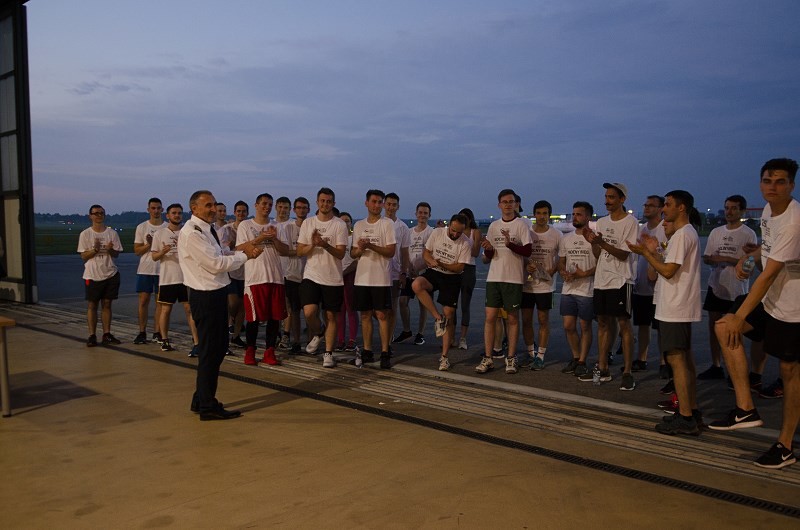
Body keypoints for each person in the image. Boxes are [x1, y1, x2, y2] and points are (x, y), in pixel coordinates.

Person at [711, 158, 800, 469]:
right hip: (773, 301)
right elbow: (767, 248)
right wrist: (748, 259)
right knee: (723, 327)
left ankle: (785, 445)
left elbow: (769, 274)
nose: (772, 187)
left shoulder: (793, 221)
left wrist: (740, 316)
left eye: (780, 181)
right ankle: (746, 409)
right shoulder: (768, 212)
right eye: (767, 180)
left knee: (790, 373)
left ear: (792, 185)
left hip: (794, 309)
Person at [178, 190, 262, 421]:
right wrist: (246, 257)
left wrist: (244, 248)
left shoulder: (207, 229)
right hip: (205, 296)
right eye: (208, 205)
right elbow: (215, 263)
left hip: (215, 294)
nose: (213, 209)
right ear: (194, 208)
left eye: (214, 204)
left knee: (216, 348)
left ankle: (200, 398)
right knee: (211, 351)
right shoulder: (192, 233)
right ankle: (207, 405)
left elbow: (222, 253)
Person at [629, 191, 703, 436]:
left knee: (677, 360)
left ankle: (686, 416)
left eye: (668, 204)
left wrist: (646, 254)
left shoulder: (682, 234)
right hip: (677, 305)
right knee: (684, 358)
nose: (664, 209)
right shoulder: (685, 234)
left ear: (681, 208)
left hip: (675, 306)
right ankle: (692, 410)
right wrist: (653, 251)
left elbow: (669, 271)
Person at [582, 182, 639, 390]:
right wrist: (593, 243)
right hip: (602, 279)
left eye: (612, 197)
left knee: (624, 324)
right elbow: (599, 254)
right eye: (606, 197)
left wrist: (602, 242)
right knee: (603, 323)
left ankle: (627, 372)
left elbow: (624, 254)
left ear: (622, 199)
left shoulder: (631, 222)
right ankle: (603, 367)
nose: (607, 201)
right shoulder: (602, 222)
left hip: (621, 279)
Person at [698, 195, 759, 382]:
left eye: (733, 208)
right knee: (713, 326)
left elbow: (749, 266)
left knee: (733, 331)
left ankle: (735, 371)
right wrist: (712, 259)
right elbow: (707, 257)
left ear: (742, 211)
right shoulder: (716, 232)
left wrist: (726, 259)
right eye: (726, 208)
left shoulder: (748, 234)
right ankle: (716, 365)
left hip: (737, 289)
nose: (729, 212)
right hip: (716, 285)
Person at [475, 189, 532, 375]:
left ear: (516, 204)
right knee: (490, 317)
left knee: (512, 318)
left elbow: (528, 251)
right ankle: (488, 357)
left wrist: (510, 245)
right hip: (494, 277)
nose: (508, 205)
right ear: (499, 205)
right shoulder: (494, 226)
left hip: (513, 278)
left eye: (511, 201)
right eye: (504, 202)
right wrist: (488, 248)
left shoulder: (521, 225)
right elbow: (490, 255)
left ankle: (511, 357)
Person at [296, 188, 349, 368]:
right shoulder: (308, 223)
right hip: (312, 275)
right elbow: (300, 251)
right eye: (322, 201)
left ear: (333, 203)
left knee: (331, 316)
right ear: (317, 202)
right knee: (309, 312)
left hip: (333, 277)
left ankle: (328, 353)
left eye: (329, 201)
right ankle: (319, 332)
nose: (325, 204)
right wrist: (313, 244)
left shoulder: (339, 225)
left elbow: (341, 254)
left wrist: (324, 244)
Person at [236, 193, 290, 366]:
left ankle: (269, 351)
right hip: (255, 278)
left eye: (270, 204)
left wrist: (273, 239)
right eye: (264, 204)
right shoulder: (246, 225)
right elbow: (239, 248)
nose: (267, 207)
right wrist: (260, 238)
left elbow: (285, 250)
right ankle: (250, 351)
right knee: (253, 319)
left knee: (275, 318)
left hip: (275, 277)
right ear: (256, 205)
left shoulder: (277, 226)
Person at [412, 214, 472, 371]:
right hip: (435, 271)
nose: (455, 234)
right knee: (417, 285)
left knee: (449, 314)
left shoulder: (465, 242)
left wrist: (441, 263)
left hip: (452, 277)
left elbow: (459, 268)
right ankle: (437, 318)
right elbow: (426, 252)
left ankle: (444, 357)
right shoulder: (437, 232)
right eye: (453, 230)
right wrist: (430, 261)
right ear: (449, 225)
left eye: (459, 232)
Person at [351, 189, 397, 369]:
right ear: (366, 203)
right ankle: (367, 350)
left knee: (382, 315)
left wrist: (370, 245)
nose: (377, 205)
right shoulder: (359, 225)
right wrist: (361, 249)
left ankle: (385, 352)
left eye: (380, 202)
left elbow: (391, 251)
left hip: (381, 278)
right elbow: (353, 253)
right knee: (365, 315)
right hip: (362, 278)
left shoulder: (387, 224)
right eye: (374, 201)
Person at [151, 203, 200, 357]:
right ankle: (164, 339)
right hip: (168, 278)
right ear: (168, 215)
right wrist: (163, 251)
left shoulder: (187, 232)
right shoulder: (160, 234)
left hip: (186, 278)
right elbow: (154, 257)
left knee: (189, 309)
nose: (177, 215)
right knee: (166, 309)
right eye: (174, 213)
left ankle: (197, 342)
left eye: (179, 213)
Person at [521, 200, 562, 370]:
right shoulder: (527, 232)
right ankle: (531, 353)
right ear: (534, 214)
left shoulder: (557, 234)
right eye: (538, 213)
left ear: (549, 215)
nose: (542, 216)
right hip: (527, 284)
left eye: (545, 213)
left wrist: (553, 270)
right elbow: (521, 254)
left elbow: (562, 257)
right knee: (526, 320)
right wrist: (526, 265)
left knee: (543, 319)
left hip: (546, 285)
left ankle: (541, 356)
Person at [559, 201, 597, 378]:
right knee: (568, 326)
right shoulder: (566, 238)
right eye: (573, 214)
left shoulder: (594, 238)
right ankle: (575, 357)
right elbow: (561, 261)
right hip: (568, 288)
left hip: (587, 289)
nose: (575, 217)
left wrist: (585, 274)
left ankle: (582, 361)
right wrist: (563, 272)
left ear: (588, 217)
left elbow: (601, 264)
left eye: (579, 214)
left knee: (585, 326)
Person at [78, 205, 123, 347]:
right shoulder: (85, 234)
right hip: (93, 274)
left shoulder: (112, 233)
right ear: (90, 216)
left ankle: (106, 334)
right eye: (96, 213)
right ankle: (92, 335)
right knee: (92, 304)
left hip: (110, 273)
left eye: (101, 213)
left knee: (107, 304)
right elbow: (83, 256)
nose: (99, 215)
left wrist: (110, 250)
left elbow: (116, 254)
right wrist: (95, 250)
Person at [631, 195, 666, 372]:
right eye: (645, 205)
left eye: (651, 205)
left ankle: (663, 362)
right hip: (642, 286)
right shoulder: (642, 229)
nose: (646, 208)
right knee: (643, 325)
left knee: (660, 328)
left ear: (661, 209)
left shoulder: (664, 229)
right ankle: (641, 358)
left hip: (659, 288)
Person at [132, 198, 166, 345]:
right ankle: (142, 331)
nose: (156, 211)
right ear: (148, 210)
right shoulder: (142, 227)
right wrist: (149, 245)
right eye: (153, 208)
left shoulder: (166, 227)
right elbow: (137, 251)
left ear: (162, 210)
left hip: (162, 270)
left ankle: (157, 332)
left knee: (160, 302)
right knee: (143, 300)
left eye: (158, 208)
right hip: (145, 269)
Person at [385, 193, 413, 343]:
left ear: (398, 206)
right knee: (376, 310)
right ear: (384, 205)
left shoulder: (403, 227)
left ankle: (388, 339)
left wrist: (404, 272)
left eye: (394, 205)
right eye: (388, 204)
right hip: (378, 272)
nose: (391, 207)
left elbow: (404, 252)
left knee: (392, 308)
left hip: (395, 272)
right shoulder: (379, 223)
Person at [407, 202, 434, 345]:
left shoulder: (431, 232)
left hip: (425, 273)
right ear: (416, 214)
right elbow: (405, 250)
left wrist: (419, 268)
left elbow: (431, 253)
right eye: (420, 212)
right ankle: (406, 330)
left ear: (429, 215)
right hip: (409, 272)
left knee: (423, 304)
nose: (422, 215)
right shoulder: (409, 232)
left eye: (425, 213)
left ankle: (420, 333)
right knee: (402, 301)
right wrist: (409, 267)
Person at [455, 208, 482, 350]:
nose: (463, 221)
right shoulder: (456, 232)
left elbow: (476, 253)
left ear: (470, 219)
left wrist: (464, 248)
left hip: (468, 268)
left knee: (465, 304)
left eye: (465, 218)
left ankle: (463, 338)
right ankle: (451, 336)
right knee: (451, 304)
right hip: (455, 268)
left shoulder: (475, 232)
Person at [223, 201, 248, 349]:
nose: (241, 214)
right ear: (234, 212)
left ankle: (236, 335)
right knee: (233, 303)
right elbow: (224, 249)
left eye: (244, 211)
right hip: (231, 271)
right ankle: (228, 324)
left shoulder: (249, 228)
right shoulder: (227, 229)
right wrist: (233, 247)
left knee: (242, 307)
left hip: (246, 271)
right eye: (239, 211)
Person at [336, 211, 359, 352]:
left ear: (351, 223)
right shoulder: (336, 239)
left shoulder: (353, 239)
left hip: (350, 275)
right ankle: (340, 339)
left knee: (351, 308)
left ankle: (352, 339)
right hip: (336, 276)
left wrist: (344, 272)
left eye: (347, 221)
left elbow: (357, 261)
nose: (345, 224)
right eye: (342, 221)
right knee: (340, 309)